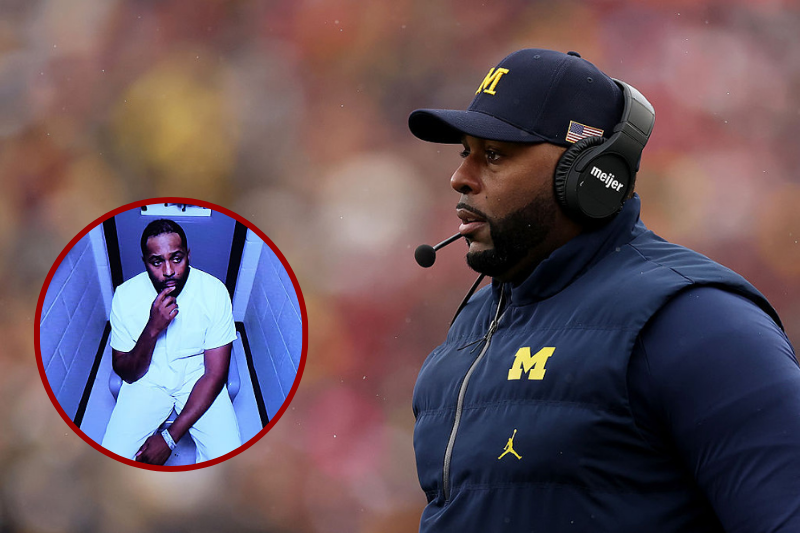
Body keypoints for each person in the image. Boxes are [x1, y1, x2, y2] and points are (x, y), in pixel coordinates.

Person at [407, 48, 800, 532]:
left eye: (493, 154)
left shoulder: (699, 322)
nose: (460, 178)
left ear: (590, 174)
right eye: (464, 151)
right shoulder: (469, 329)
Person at [101, 218, 241, 465]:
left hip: (198, 376)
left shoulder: (214, 291)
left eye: (177, 258)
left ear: (188, 254)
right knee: (112, 459)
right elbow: (127, 372)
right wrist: (153, 328)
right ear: (145, 262)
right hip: (148, 379)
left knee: (227, 460)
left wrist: (169, 438)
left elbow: (216, 374)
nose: (168, 271)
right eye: (157, 262)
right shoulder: (125, 296)